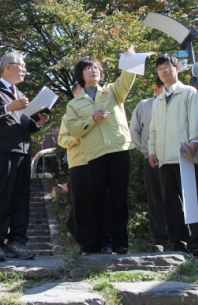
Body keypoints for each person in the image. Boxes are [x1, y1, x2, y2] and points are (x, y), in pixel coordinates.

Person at [64, 45, 137, 255]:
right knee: (96, 199)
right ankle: (92, 244)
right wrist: (92, 119)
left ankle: (120, 242)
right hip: (94, 153)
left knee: (119, 198)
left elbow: (128, 77)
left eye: (96, 67)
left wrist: (129, 59)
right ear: (80, 75)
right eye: (88, 68)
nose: (93, 70)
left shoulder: (113, 91)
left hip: (118, 148)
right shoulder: (74, 104)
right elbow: (74, 128)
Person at [0, 51, 50, 261]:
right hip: (2, 150)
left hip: (23, 151)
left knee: (21, 200)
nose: (24, 69)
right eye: (21, 65)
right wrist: (9, 107)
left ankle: (17, 241)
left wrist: (38, 122)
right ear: (7, 67)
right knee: (0, 197)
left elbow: (25, 125)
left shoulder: (20, 95)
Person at [148, 54, 198, 257]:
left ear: (177, 68)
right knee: (171, 203)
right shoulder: (158, 100)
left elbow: (195, 119)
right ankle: (178, 241)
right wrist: (152, 150)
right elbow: (153, 129)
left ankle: (197, 240)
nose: (164, 71)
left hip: (186, 153)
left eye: (167, 67)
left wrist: (194, 140)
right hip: (165, 157)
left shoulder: (190, 93)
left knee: (192, 199)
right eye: (160, 68)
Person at [59, 83, 113, 254]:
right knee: (80, 205)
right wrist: (76, 140)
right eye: (79, 95)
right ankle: (85, 243)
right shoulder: (68, 116)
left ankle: (106, 242)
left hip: (98, 158)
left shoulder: (99, 110)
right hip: (79, 163)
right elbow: (62, 139)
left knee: (103, 202)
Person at [129, 77, 169, 253]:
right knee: (155, 199)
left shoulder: (177, 101)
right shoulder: (144, 105)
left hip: (175, 157)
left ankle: (180, 236)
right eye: (164, 88)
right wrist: (145, 150)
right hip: (151, 158)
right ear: (156, 89)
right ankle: (159, 238)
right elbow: (134, 131)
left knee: (177, 197)